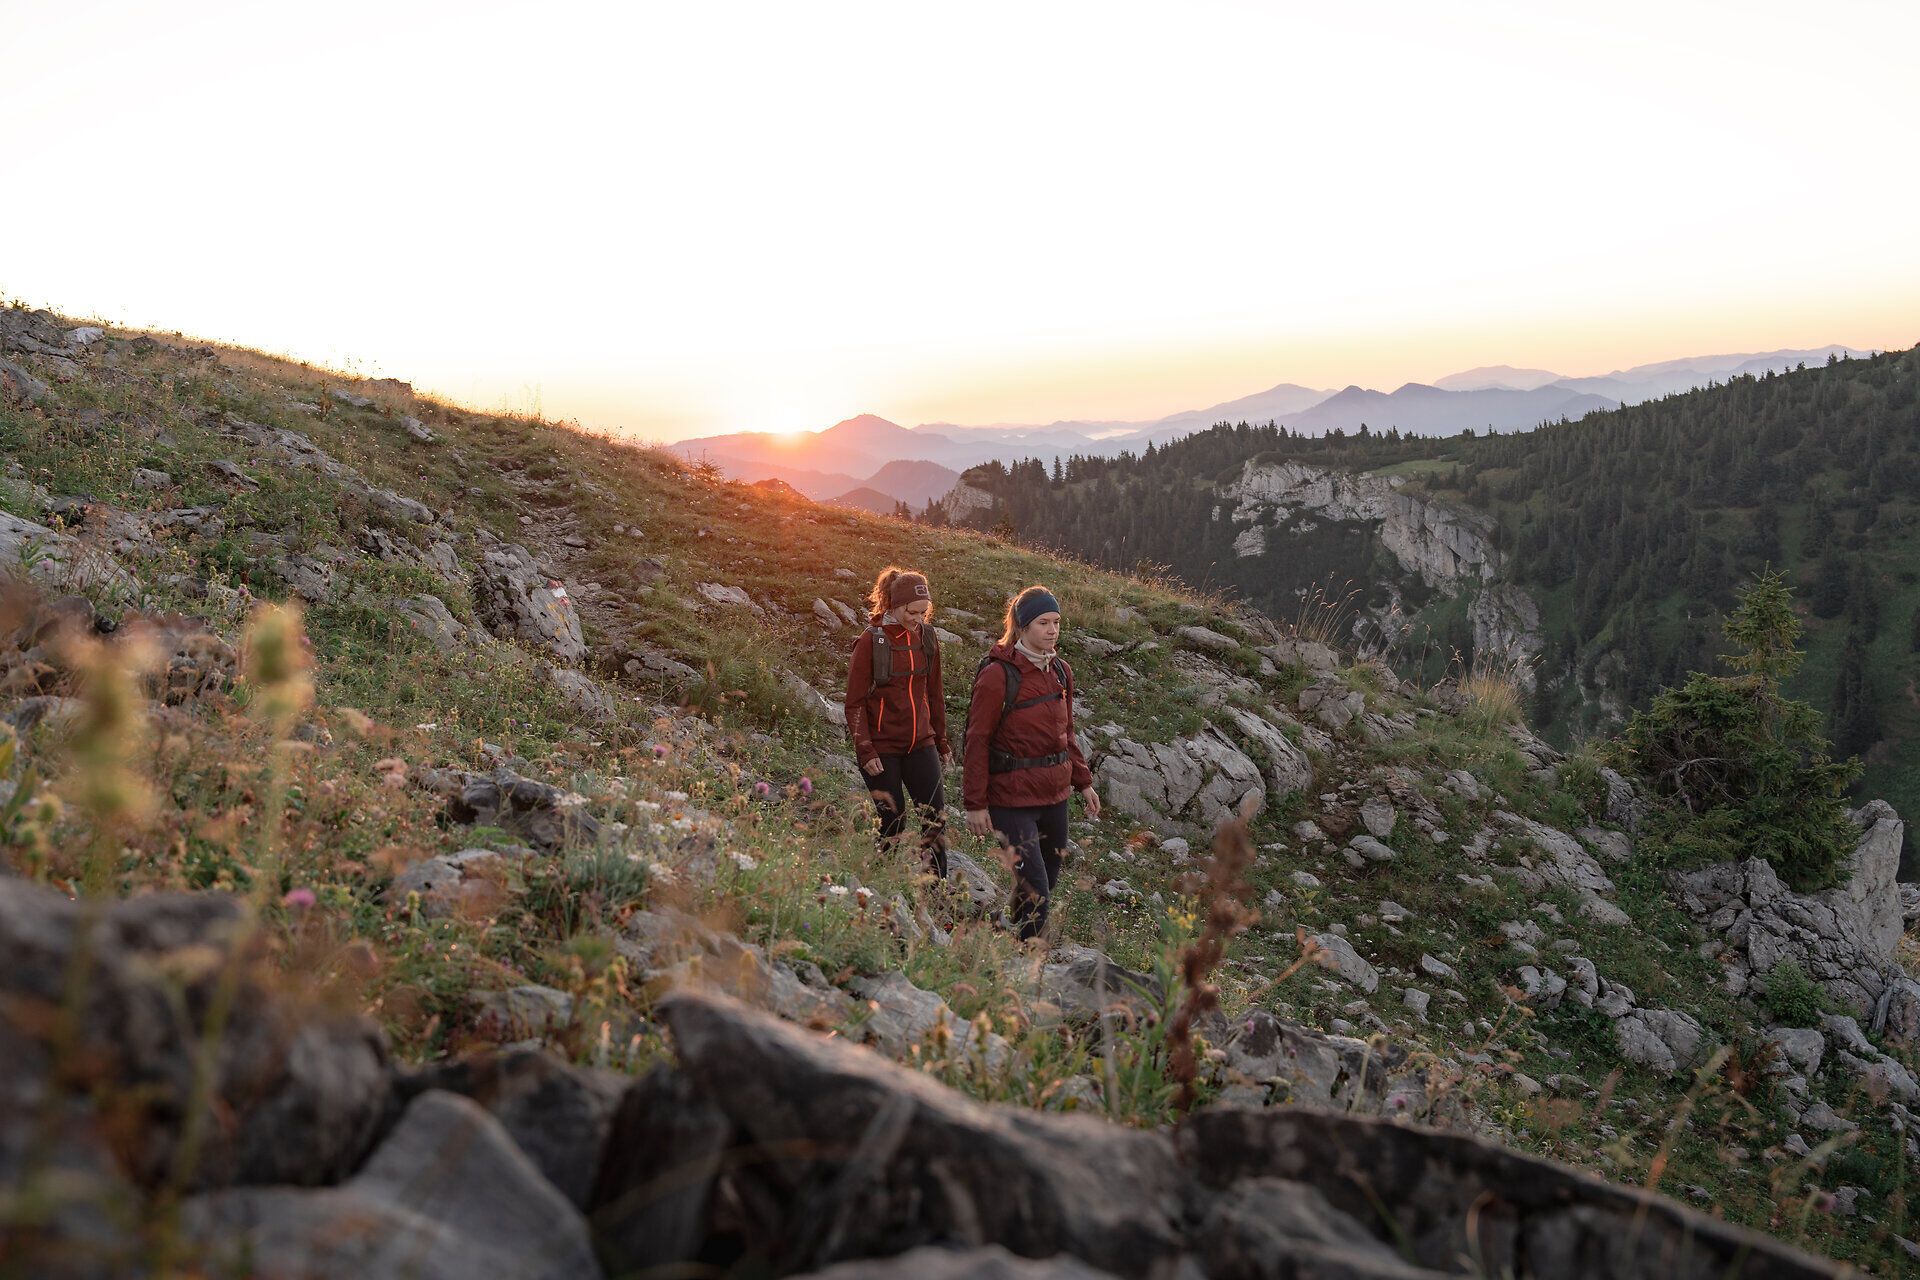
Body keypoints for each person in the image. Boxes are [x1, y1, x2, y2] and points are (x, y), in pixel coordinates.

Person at [962, 585, 1099, 943]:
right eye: (1043, 623)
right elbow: (977, 739)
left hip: (1055, 794)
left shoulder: (1061, 672)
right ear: (1022, 626)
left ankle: (1005, 932)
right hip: (1010, 797)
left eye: (1056, 622)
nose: (1052, 630)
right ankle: (1027, 961)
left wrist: (1083, 782)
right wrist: (975, 804)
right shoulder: (998, 674)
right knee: (1036, 884)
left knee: (1047, 878)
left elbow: (1066, 732)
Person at [843, 567, 950, 877]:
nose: (918, 618)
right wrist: (866, 750)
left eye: (923, 612)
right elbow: (854, 702)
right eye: (912, 612)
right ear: (894, 604)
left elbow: (935, 693)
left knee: (935, 821)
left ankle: (936, 894)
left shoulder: (926, 638)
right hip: (882, 748)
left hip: (921, 744)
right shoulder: (871, 642)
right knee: (894, 821)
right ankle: (880, 881)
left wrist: (941, 742)